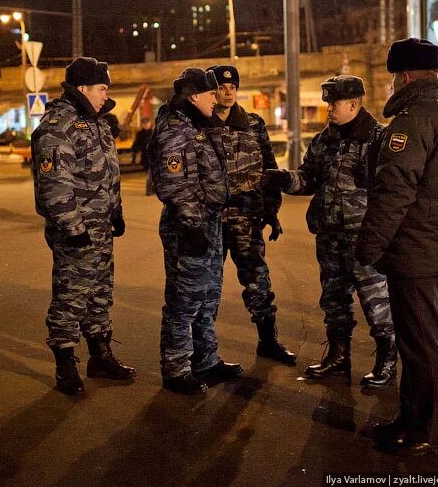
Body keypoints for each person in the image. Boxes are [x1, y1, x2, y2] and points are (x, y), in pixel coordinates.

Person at [355, 38, 438, 456]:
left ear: (404, 75)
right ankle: (411, 419)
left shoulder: (411, 122)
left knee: (420, 344)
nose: (390, 85)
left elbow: (394, 192)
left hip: (413, 248)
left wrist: (368, 245)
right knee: (415, 341)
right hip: (427, 243)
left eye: (392, 76)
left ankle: (429, 432)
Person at [264, 75, 395, 387]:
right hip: (330, 236)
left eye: (333, 103)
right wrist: (285, 180)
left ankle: (387, 362)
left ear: (353, 104)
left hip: (364, 238)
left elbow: (390, 191)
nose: (328, 109)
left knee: (376, 302)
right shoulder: (325, 140)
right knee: (334, 302)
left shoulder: (378, 139)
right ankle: (338, 357)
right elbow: (309, 179)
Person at [31, 57, 134, 396]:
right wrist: (73, 228)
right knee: (71, 296)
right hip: (75, 229)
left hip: (101, 225)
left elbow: (108, 174)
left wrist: (115, 211)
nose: (106, 95)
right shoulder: (57, 126)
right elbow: (54, 184)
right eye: (102, 88)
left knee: (100, 292)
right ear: (83, 88)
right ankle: (64, 362)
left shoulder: (98, 123)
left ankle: (100, 355)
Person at [149, 67, 243, 395]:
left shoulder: (197, 123)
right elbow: (176, 184)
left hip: (208, 222)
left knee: (207, 296)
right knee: (184, 299)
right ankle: (176, 367)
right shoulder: (175, 128)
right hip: (188, 225)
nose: (216, 99)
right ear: (193, 96)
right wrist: (191, 225)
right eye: (210, 94)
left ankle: (206, 360)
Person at [208, 64, 295, 365]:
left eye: (233, 86)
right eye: (221, 86)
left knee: (258, 281)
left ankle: (268, 341)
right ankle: (204, 353)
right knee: (208, 286)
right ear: (212, 90)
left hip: (246, 219)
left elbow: (269, 170)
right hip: (212, 222)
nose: (229, 91)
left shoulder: (254, 124)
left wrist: (271, 211)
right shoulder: (200, 126)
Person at [130, 116, 155, 195]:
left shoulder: (155, 133)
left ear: (150, 124)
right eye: (144, 124)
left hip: (154, 157)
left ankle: (149, 190)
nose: (146, 125)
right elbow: (136, 144)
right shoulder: (140, 134)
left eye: (147, 123)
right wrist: (134, 154)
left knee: (150, 174)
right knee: (150, 174)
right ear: (142, 125)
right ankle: (152, 189)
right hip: (145, 158)